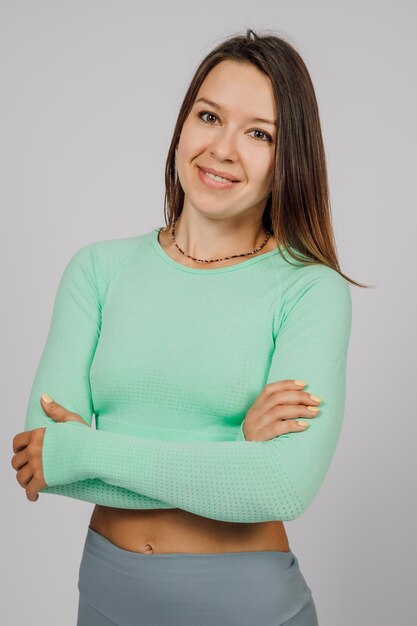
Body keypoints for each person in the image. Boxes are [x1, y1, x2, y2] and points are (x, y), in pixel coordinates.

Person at [11, 29, 365, 626]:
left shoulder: (309, 290)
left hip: (247, 604)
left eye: (259, 133)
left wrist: (85, 450)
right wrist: (233, 457)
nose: (223, 149)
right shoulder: (98, 271)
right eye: (209, 116)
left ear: (290, 157)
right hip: (105, 594)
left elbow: (280, 488)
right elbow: (38, 461)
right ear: (182, 127)